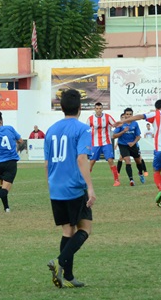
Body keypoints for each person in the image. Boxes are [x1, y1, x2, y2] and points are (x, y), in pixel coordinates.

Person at [45, 89, 96, 289]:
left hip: (55, 188)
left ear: (61, 107)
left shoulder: (51, 130)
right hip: (74, 188)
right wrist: (90, 188)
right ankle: (60, 261)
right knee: (85, 228)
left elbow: (47, 163)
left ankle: (68, 276)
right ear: (80, 108)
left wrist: (51, 185)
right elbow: (82, 158)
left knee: (68, 230)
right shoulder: (82, 129)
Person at [121, 99, 161, 208]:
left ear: (156, 108)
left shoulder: (155, 114)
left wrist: (124, 121)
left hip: (160, 150)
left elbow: (140, 116)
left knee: (156, 171)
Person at [86, 102, 120, 186]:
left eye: (100, 108)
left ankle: (116, 180)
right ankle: (84, 180)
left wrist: (120, 125)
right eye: (97, 108)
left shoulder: (107, 117)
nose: (98, 110)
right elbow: (86, 131)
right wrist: (86, 143)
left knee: (110, 160)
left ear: (102, 109)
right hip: (95, 143)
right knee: (92, 162)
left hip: (106, 143)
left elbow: (115, 125)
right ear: (94, 109)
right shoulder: (90, 119)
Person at [112, 113, 144, 186]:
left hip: (133, 145)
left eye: (130, 114)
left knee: (138, 161)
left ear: (132, 115)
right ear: (125, 115)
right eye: (127, 114)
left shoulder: (135, 124)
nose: (128, 116)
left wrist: (133, 142)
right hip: (123, 145)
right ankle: (131, 180)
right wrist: (123, 131)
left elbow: (138, 136)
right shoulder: (121, 124)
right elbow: (114, 136)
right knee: (127, 160)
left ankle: (140, 173)